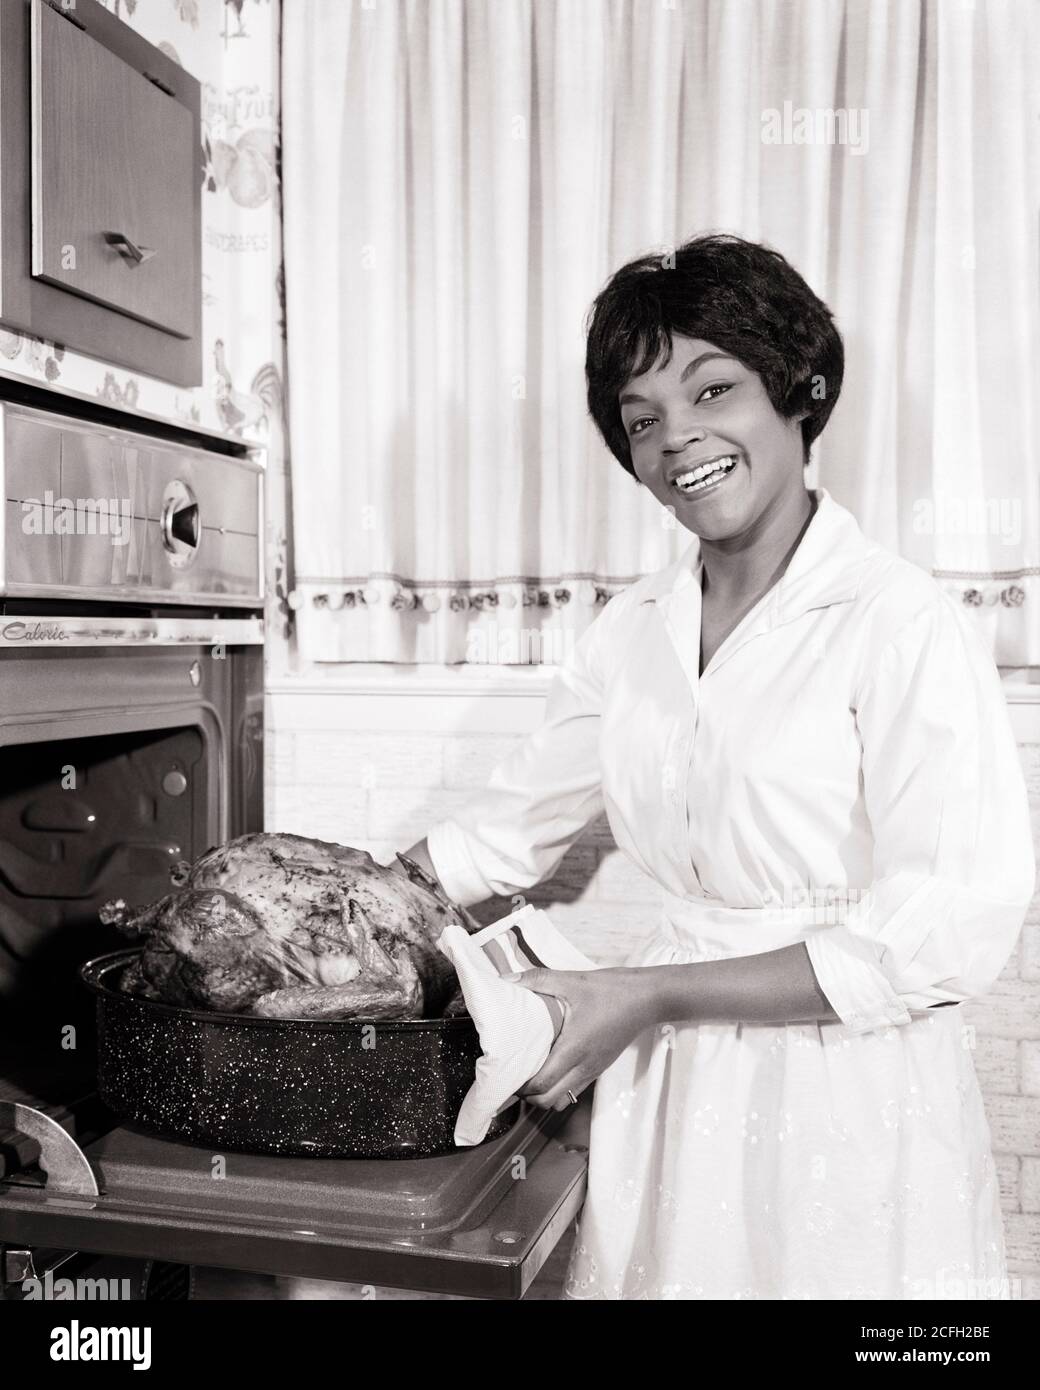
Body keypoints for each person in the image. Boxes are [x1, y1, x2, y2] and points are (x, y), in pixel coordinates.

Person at [395, 234, 1036, 1300]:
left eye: (712, 389)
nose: (675, 438)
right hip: (673, 1085)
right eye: (641, 419)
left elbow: (946, 931)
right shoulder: (630, 631)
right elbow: (494, 838)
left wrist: (642, 994)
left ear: (798, 390)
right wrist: (321, 905)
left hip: (848, 1090)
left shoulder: (899, 621)